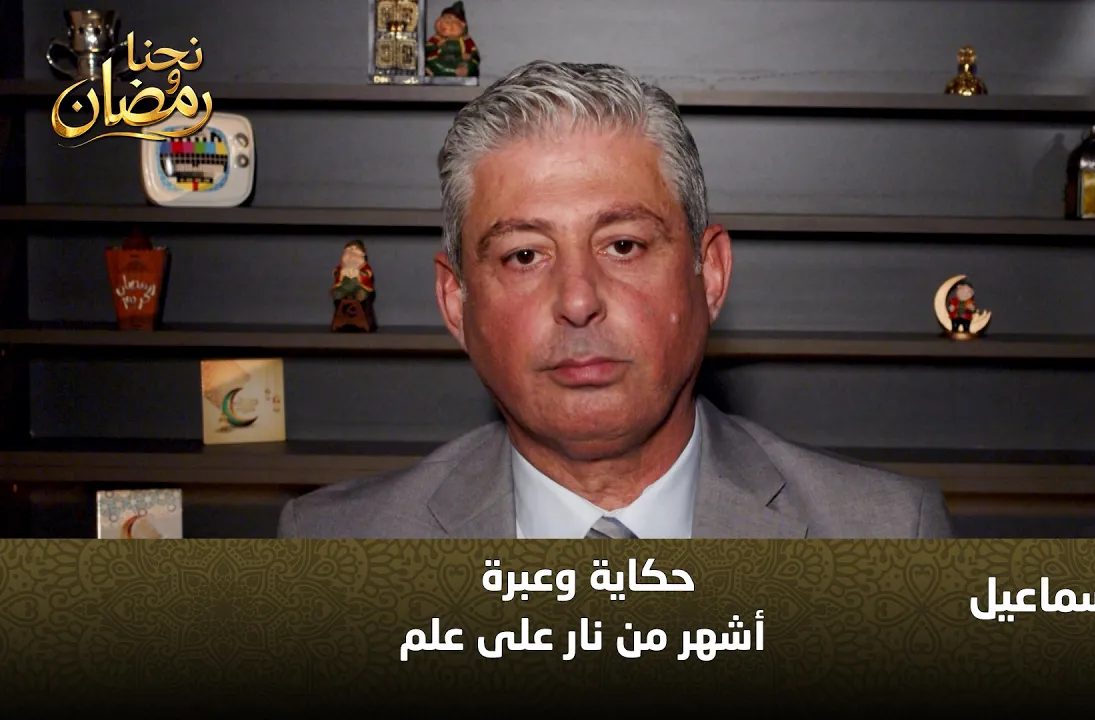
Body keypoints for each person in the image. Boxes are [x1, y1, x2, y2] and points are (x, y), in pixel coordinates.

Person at [278, 61, 952, 539]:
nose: (578, 301)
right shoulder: (331, 545)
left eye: (623, 245)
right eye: (524, 255)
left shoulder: (891, 535)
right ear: (457, 303)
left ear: (709, 275)